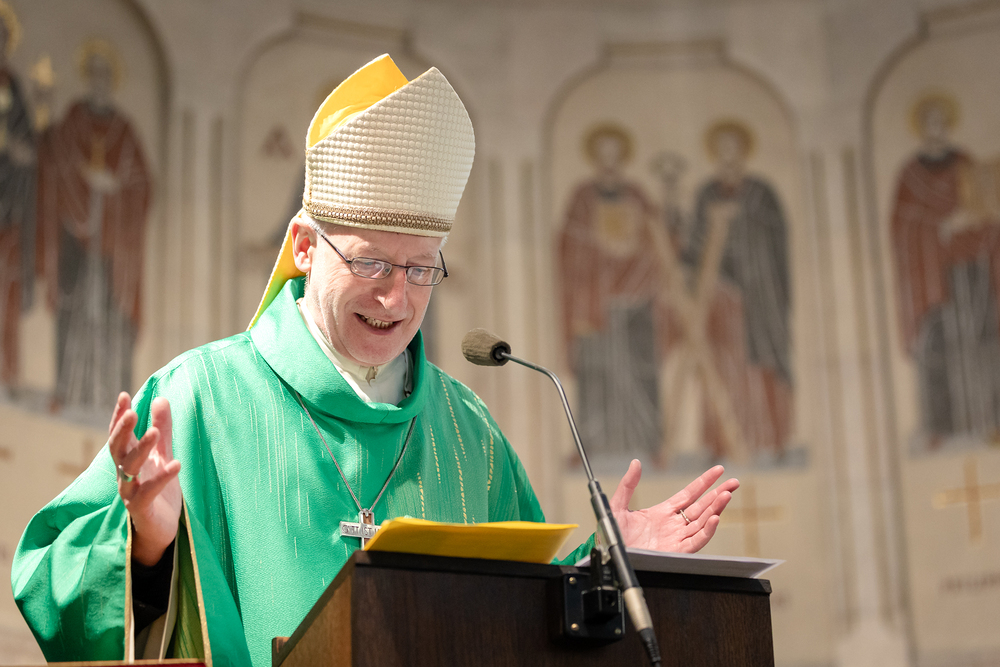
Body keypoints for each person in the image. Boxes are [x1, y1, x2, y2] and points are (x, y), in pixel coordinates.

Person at [13, 55, 738, 667]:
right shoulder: (197, 397)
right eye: (370, 263)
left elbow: (522, 614)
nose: (396, 297)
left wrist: (599, 568)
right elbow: (52, 586)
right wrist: (148, 543)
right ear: (304, 246)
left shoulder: (468, 432)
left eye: (421, 269)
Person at [36, 38, 151, 413]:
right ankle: (66, 389)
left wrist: (114, 188)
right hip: (74, 239)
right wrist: (83, 181)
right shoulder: (73, 121)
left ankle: (109, 398)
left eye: (105, 75)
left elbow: (143, 184)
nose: (99, 81)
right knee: (70, 310)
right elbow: (53, 162)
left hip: (112, 247)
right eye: (94, 73)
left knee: (111, 314)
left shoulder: (123, 130)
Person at [890, 93, 1000, 444]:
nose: (936, 128)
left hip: (971, 269)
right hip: (933, 279)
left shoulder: (966, 163)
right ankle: (943, 427)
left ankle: (986, 418)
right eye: (930, 122)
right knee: (938, 348)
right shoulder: (910, 175)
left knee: (981, 341)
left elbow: (984, 206)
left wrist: (976, 221)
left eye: (941, 121)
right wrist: (939, 226)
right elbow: (902, 225)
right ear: (922, 127)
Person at [557, 124, 669, 462]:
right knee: (597, 373)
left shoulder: (637, 196)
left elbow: (657, 243)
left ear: (622, 156)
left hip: (636, 301)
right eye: (602, 153)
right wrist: (599, 257)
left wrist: (635, 268)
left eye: (614, 153)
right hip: (596, 302)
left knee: (640, 371)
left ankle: (650, 442)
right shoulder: (583, 197)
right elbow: (569, 244)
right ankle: (590, 444)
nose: (609, 160)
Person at [687, 120, 792, 461]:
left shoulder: (761, 194)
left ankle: (770, 440)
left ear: (743, 152)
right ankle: (722, 443)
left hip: (759, 299)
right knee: (722, 368)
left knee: (761, 364)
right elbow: (694, 247)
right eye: (721, 150)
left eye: (733, 149)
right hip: (721, 300)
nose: (727, 157)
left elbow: (774, 240)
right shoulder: (707, 195)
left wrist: (740, 219)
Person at [0, 1, 36, 394]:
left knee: (6, 291)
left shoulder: (12, 88)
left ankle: (7, 372)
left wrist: (16, 148)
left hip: (7, 210)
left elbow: (29, 149)